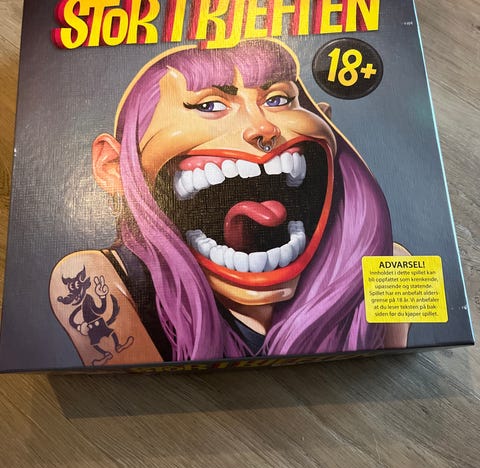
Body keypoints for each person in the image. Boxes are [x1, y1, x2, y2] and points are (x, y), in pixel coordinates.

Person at [50, 39, 408, 367]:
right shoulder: (89, 280)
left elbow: (387, 369)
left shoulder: (389, 268)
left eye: (278, 99)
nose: (261, 127)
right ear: (113, 167)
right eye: (208, 104)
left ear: (324, 119)